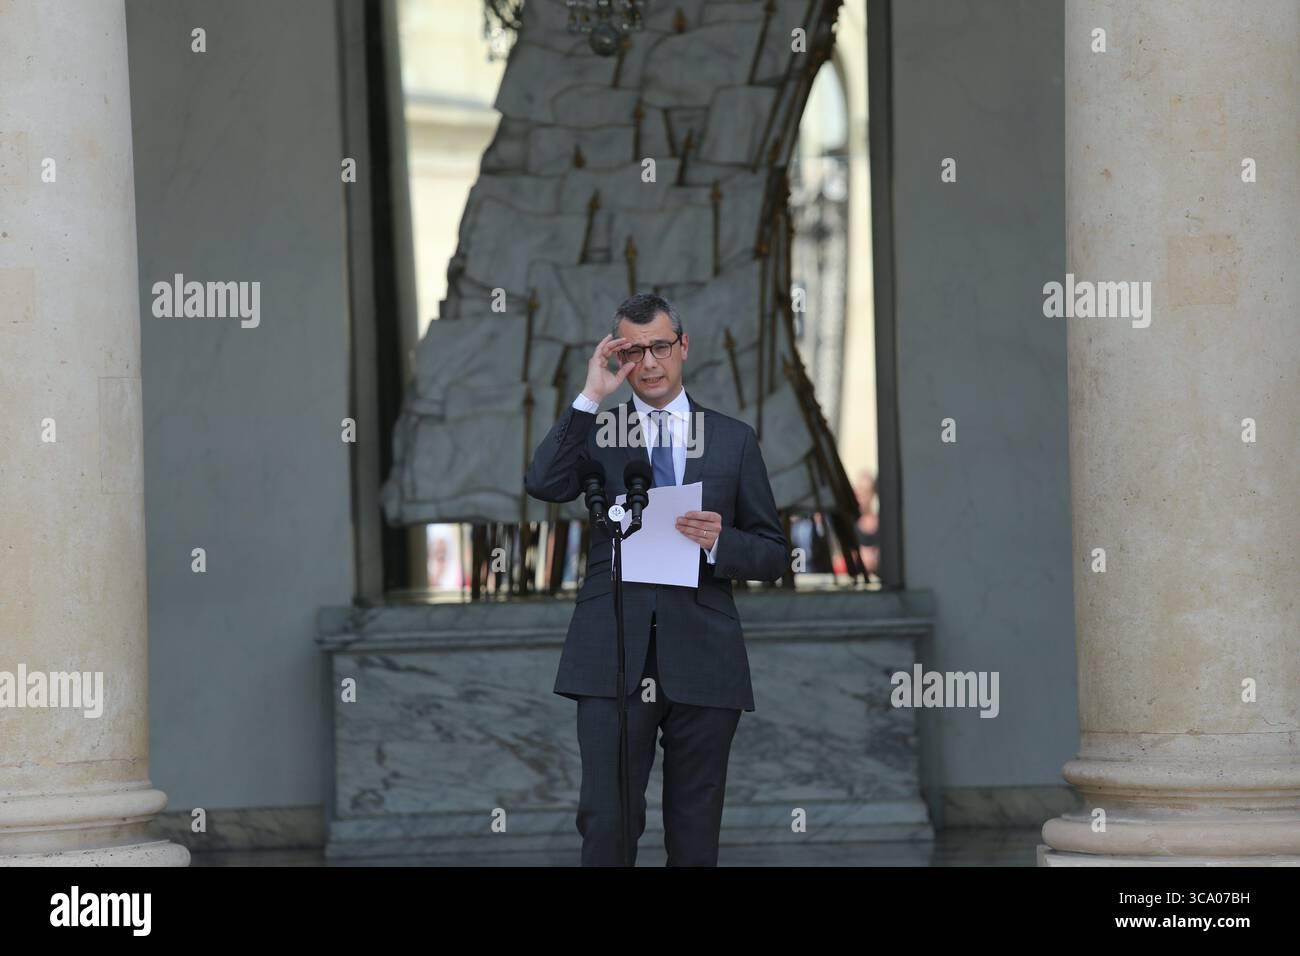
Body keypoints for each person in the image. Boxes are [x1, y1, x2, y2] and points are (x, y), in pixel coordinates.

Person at [524, 292, 787, 866]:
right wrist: (592, 394)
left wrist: (721, 539)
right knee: (607, 821)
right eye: (632, 351)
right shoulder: (599, 428)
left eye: (660, 347)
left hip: (704, 654)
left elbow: (773, 553)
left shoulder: (732, 439)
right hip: (611, 651)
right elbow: (543, 482)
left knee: (695, 829)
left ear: (683, 347)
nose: (648, 363)